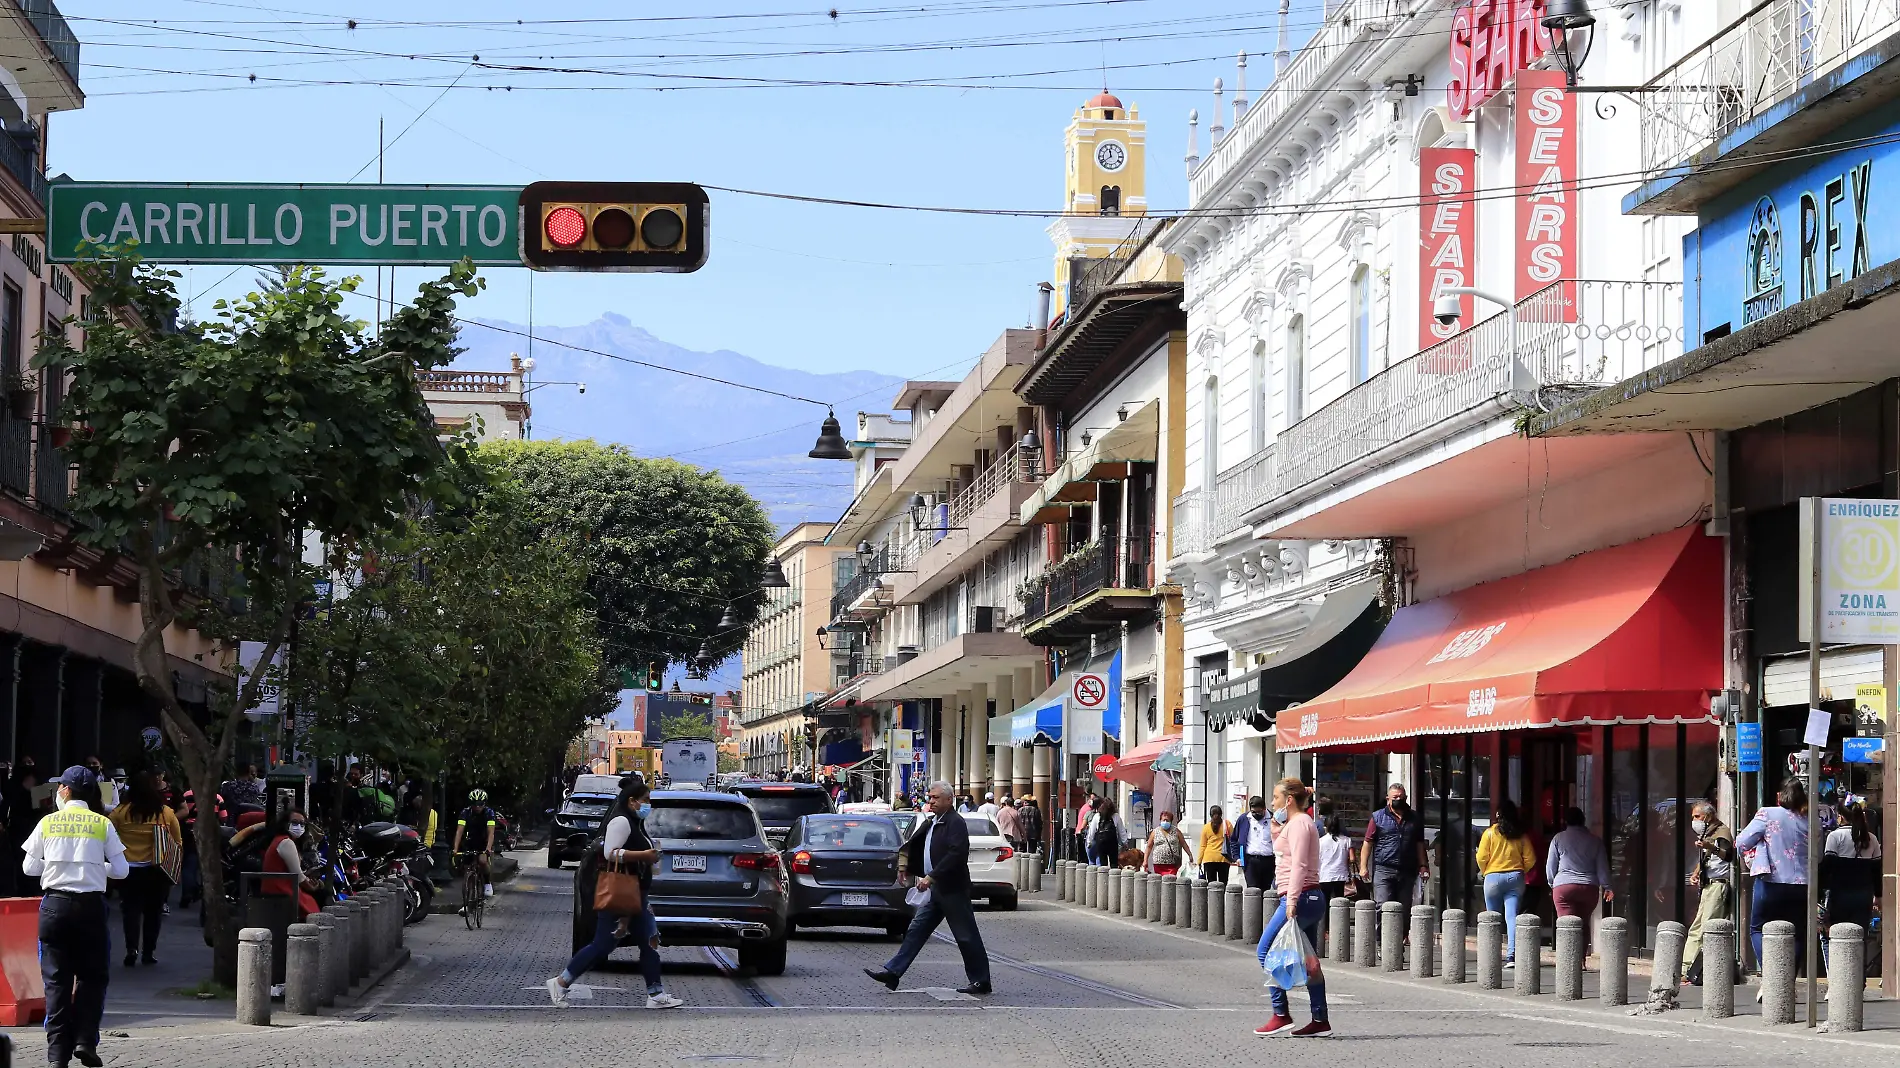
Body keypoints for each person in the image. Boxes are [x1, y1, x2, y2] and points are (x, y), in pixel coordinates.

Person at [20, 766, 127, 1068]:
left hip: (54, 906)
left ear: (64, 791)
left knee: (56, 982)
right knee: (93, 978)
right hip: (91, 908)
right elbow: (121, 870)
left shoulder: (48, 822)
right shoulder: (101, 824)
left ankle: (57, 1057)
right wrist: (93, 868)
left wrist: (58, 867)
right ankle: (84, 1041)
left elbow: (29, 867)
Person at [547, 775, 681, 1009]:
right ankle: (560, 982)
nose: (649, 804)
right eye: (646, 800)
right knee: (603, 944)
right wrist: (644, 856)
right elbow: (611, 852)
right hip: (622, 895)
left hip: (636, 894)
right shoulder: (621, 822)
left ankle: (656, 994)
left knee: (649, 940)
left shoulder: (634, 822)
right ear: (632, 801)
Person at [865, 781, 991, 996]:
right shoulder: (933, 822)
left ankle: (981, 981)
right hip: (935, 890)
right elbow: (914, 844)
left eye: (935, 798)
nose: (930, 801)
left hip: (952, 888)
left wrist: (931, 877)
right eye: (929, 797)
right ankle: (893, 972)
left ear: (949, 800)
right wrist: (905, 867)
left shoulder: (955, 822)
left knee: (966, 935)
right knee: (916, 930)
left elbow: (956, 854)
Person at [1255, 778, 1330, 1038]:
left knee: (1265, 950)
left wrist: (1293, 900)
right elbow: (1283, 850)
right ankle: (1320, 1019)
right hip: (1309, 896)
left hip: (1300, 896)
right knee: (1309, 962)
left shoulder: (1299, 824)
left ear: (1288, 800)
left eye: (1276, 797)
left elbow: (1298, 864)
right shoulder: (1298, 823)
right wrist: (1276, 826)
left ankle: (1280, 1013)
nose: (1272, 802)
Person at [1735, 777, 1810, 976]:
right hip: (1803, 884)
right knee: (1797, 933)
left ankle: (1773, 975)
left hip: (1772, 881)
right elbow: (1817, 855)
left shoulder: (1768, 814)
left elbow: (1741, 842)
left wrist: (1760, 845)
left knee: (1757, 928)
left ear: (1779, 796)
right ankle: (1788, 980)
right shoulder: (1812, 820)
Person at [107, 771, 182, 967]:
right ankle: (149, 952)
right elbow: (177, 841)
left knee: (130, 910)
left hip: (128, 869)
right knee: (153, 912)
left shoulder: (120, 813)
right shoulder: (165, 813)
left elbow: (109, 838)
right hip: (156, 869)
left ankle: (131, 948)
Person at [1476, 799, 1536, 964]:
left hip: (1493, 877)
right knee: (1511, 917)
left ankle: (1492, 956)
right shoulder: (1521, 835)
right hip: (1515, 876)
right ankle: (1511, 955)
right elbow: (1531, 858)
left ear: (1498, 815)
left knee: (1493, 917)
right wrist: (1522, 869)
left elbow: (1481, 857)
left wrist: (1485, 870)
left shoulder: (1489, 833)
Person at [1682, 800, 1735, 986]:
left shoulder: (1721, 832)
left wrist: (1710, 846)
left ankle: (1698, 969)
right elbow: (1707, 859)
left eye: (1697, 816)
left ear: (1708, 816)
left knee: (1707, 928)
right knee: (1696, 928)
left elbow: (1727, 855)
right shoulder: (1709, 832)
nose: (1694, 821)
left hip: (1717, 886)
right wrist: (1696, 873)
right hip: (1707, 885)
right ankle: (1686, 967)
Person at [1821, 798, 1880, 962]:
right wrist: (1878, 896)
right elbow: (1876, 871)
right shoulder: (1871, 839)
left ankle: (1837, 978)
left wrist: (1818, 892)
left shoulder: (1835, 837)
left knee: (1832, 936)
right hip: (1864, 896)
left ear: (1840, 816)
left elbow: (1827, 867)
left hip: (1840, 894)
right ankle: (1858, 979)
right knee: (1860, 938)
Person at [1546, 806, 1612, 949]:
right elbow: (1602, 866)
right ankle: (1581, 960)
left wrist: (1552, 883)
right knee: (1583, 924)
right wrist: (1607, 886)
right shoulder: (1595, 841)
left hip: (1564, 886)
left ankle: (1568, 961)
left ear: (1565, 821)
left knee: (1566, 925)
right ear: (1583, 821)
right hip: (1589, 887)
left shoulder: (1558, 838)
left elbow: (1550, 866)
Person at [1360, 784, 1426, 911]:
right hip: (1384, 869)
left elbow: (1419, 843)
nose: (1398, 800)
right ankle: (1382, 931)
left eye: (1401, 797)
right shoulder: (1378, 817)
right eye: (1395, 797)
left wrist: (1423, 865)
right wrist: (1363, 867)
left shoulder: (1415, 818)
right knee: (1382, 906)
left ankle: (1402, 931)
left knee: (1404, 908)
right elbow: (1368, 842)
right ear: (1388, 799)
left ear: (1406, 798)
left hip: (1407, 870)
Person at [259, 808, 322, 923]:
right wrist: (313, 887)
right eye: (294, 822)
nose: (299, 826)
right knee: (315, 900)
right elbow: (298, 876)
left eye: (302, 824)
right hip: (280, 889)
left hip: (277, 887)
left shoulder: (280, 840)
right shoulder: (286, 842)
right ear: (285, 824)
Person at [452, 788, 501, 900]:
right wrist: (455, 849)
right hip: (471, 840)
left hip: (484, 841)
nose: (477, 807)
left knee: (482, 861)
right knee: (466, 867)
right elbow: (459, 831)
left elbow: (491, 833)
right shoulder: (465, 813)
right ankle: (468, 898)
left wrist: (488, 848)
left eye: (480, 804)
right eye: (475, 804)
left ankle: (487, 883)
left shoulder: (489, 813)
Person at [1231, 795, 1277, 891]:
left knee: (1266, 891)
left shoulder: (1273, 819)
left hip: (1268, 861)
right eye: (1253, 812)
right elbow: (1234, 839)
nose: (1256, 814)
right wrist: (1237, 857)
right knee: (1252, 891)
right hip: (1250, 861)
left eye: (1259, 812)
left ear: (1264, 808)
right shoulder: (1244, 819)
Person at [1317, 812, 1353, 901]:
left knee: (1325, 902)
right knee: (1339, 903)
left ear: (1326, 827)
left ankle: (1326, 915)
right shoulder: (1347, 840)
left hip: (1324, 875)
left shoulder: (1320, 841)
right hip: (1340, 875)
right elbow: (1352, 858)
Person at [1143, 811, 1186, 876]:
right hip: (1159, 864)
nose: (1165, 822)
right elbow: (1149, 846)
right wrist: (1145, 860)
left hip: (1172, 863)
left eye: (1167, 820)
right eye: (1163, 820)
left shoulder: (1176, 831)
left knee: (1171, 881)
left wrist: (1190, 855)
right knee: (1160, 882)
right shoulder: (1155, 832)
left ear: (1171, 822)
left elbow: (1183, 843)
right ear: (1160, 821)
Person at [1086, 796, 1125, 867]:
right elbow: (1121, 830)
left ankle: (1103, 876)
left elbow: (1092, 830)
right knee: (1114, 862)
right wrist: (1125, 842)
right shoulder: (1116, 816)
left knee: (1103, 862)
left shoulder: (1097, 816)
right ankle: (1114, 876)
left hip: (1100, 841)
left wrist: (1089, 842)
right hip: (1112, 841)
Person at [1199, 804, 1232, 885]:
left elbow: (1203, 845)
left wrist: (1199, 860)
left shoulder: (1206, 827)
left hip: (1209, 858)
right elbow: (1233, 840)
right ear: (1221, 814)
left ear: (1210, 815)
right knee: (1223, 883)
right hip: (1224, 858)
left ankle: (1212, 898)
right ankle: (1221, 897)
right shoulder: (1227, 824)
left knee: (1211, 884)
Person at [1073, 794, 1096, 861]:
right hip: (1082, 834)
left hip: (1081, 833)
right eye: (1092, 799)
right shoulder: (1088, 810)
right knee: (1085, 857)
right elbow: (1086, 824)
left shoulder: (1086, 807)